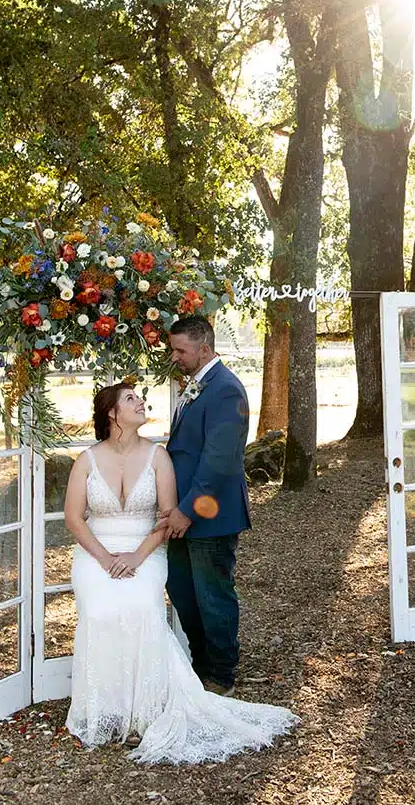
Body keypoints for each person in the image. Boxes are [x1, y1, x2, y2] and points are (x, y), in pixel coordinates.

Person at [64, 382, 297, 763]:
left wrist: (138, 556)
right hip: (96, 552)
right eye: (130, 399)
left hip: (148, 549)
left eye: (140, 396)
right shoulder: (86, 460)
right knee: (100, 608)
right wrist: (105, 559)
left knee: (140, 604)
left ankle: (148, 707)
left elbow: (168, 517)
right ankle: (106, 707)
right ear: (112, 413)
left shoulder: (159, 457)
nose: (141, 402)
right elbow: (74, 519)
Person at [165, 315, 250, 696]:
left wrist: (187, 510)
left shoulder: (226, 389)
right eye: (173, 349)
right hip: (182, 513)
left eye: (180, 350)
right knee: (182, 591)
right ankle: (200, 667)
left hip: (209, 516)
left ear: (204, 347)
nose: (175, 356)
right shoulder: (198, 385)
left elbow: (219, 460)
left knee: (213, 595)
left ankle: (221, 674)